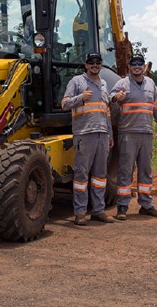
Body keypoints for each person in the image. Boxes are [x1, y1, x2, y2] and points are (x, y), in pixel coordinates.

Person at [109, 52, 157, 220]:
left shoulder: (151, 84)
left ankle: (146, 205)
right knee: (125, 170)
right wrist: (115, 97)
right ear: (129, 66)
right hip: (128, 133)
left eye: (140, 63)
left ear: (144, 66)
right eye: (134, 63)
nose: (137, 66)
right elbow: (109, 97)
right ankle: (122, 206)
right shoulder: (122, 83)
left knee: (145, 171)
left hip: (146, 133)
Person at [62, 52, 114, 226]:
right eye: (91, 62)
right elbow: (65, 103)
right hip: (84, 134)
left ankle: (98, 210)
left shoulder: (104, 84)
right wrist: (80, 98)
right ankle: (80, 212)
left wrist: (110, 134)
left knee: (100, 176)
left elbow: (106, 110)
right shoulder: (77, 82)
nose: (95, 65)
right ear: (85, 65)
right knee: (81, 175)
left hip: (102, 134)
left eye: (98, 62)